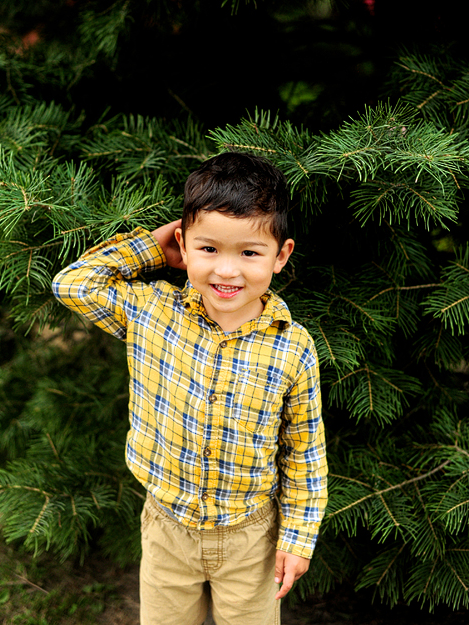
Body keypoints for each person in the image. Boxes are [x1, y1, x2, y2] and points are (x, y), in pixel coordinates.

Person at [52, 152, 327, 625]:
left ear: (281, 256)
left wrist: (297, 538)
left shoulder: (293, 347)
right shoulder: (152, 312)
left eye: (249, 252)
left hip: (250, 536)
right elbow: (72, 284)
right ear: (184, 243)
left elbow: (304, 451)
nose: (226, 271)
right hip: (166, 527)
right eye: (209, 249)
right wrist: (154, 248)